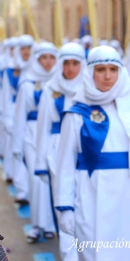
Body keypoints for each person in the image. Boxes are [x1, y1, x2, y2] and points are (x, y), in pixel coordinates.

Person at [54, 46, 130, 260]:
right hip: (90, 193)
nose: (107, 75)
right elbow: (64, 165)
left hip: (128, 193)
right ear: (90, 72)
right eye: (101, 69)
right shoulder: (76, 114)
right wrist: (64, 206)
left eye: (113, 69)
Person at [34, 42, 85, 259]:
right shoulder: (50, 90)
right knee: (62, 203)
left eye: (75, 63)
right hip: (56, 151)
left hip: (83, 152)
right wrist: (40, 164)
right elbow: (43, 126)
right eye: (66, 63)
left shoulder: (89, 89)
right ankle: (68, 254)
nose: (71, 68)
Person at [12, 42, 57, 242]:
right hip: (32, 137)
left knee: (51, 181)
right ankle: (37, 225)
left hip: (53, 137)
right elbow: (20, 115)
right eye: (44, 58)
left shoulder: (61, 82)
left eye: (51, 58)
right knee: (36, 179)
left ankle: (49, 224)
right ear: (37, 60)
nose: (48, 62)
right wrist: (16, 145)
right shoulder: (27, 83)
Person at [6, 35, 34, 205]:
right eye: (23, 48)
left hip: (32, 118)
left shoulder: (38, 69)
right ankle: (22, 190)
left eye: (28, 48)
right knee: (17, 151)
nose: (26, 52)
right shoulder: (11, 69)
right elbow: (6, 95)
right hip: (14, 112)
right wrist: (6, 117)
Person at [1, 37, 21, 183]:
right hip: (11, 109)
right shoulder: (7, 68)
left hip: (27, 116)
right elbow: (6, 93)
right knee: (10, 143)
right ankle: (10, 172)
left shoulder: (32, 68)